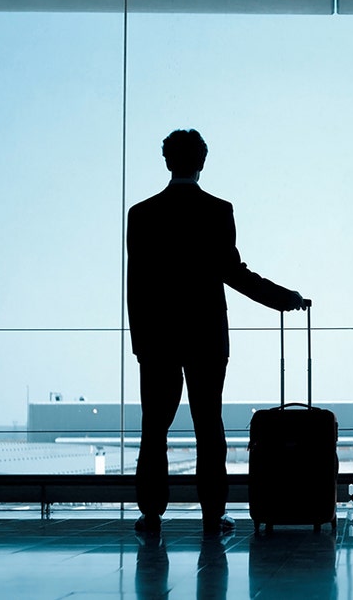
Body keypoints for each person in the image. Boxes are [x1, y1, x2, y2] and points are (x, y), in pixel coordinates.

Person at [127, 129, 305, 536]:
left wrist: (141, 344)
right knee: (209, 425)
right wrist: (284, 298)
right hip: (206, 335)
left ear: (168, 161)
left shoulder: (142, 214)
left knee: (154, 428)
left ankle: (151, 513)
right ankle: (212, 514)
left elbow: (136, 284)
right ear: (201, 163)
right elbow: (234, 274)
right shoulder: (217, 210)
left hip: (157, 339)